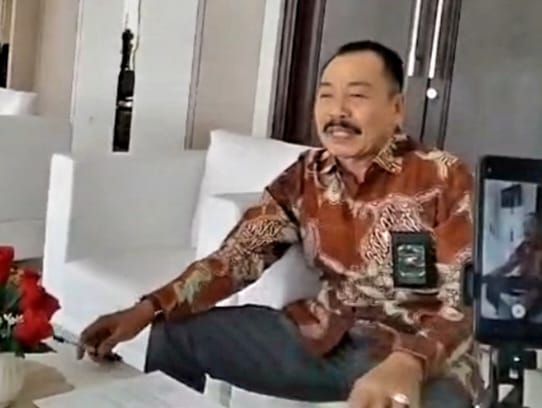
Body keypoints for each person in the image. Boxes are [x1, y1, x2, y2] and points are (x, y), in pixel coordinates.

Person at [77, 41, 479, 408]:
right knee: (174, 331)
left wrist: (408, 362)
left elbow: (466, 302)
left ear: (396, 109)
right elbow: (236, 258)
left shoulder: (445, 178)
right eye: (326, 95)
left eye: (357, 96)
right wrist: (147, 308)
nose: (338, 111)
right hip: (323, 338)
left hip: (421, 359)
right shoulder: (306, 176)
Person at [485, 212, 542, 318]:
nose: (526, 229)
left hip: (538, 288)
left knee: (535, 293)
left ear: (538, 228)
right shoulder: (523, 247)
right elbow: (508, 266)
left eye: (531, 225)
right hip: (523, 282)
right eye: (525, 225)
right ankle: (504, 314)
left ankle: (526, 314)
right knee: (492, 285)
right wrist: (490, 276)